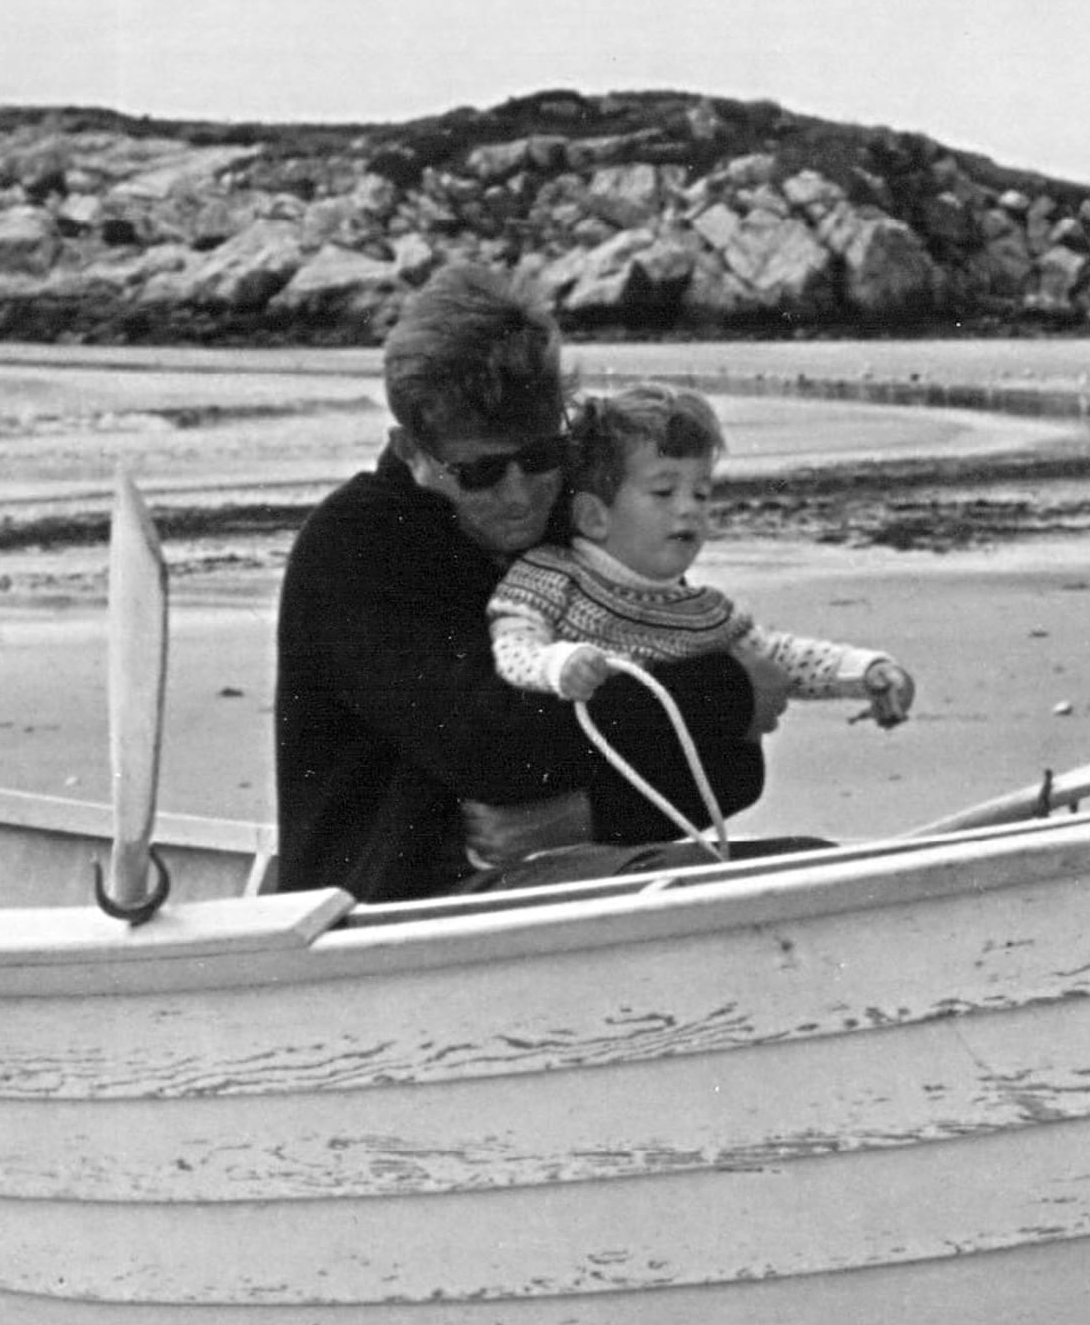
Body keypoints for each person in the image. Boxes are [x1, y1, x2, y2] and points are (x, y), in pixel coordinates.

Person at [270, 265, 774, 902]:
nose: (519, 497)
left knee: (803, 865)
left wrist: (587, 816)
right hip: (381, 900)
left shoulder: (579, 516)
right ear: (412, 450)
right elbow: (495, 749)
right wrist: (725, 688)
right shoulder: (357, 546)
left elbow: (735, 767)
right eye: (480, 473)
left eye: (540, 458)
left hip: (560, 868)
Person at [487, 387, 918, 818]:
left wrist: (863, 671)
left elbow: (776, 657)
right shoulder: (552, 576)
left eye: (701, 494)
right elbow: (513, 645)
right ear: (594, 517)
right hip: (550, 810)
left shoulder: (700, 612)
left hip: (650, 811)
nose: (689, 509)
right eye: (664, 491)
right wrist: (557, 665)